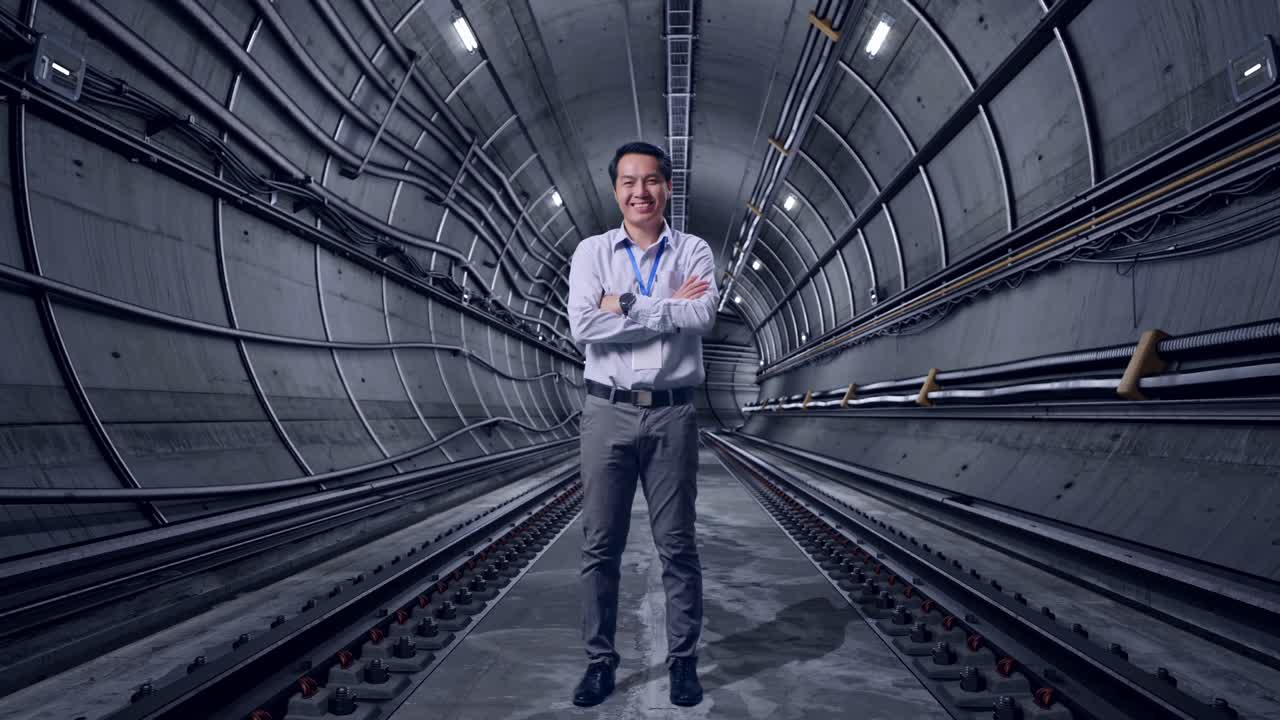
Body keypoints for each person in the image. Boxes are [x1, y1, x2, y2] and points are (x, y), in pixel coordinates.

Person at [566, 141, 718, 707]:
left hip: (673, 414)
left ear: (668, 188)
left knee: (677, 545)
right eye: (629, 182)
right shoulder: (591, 252)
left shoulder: (695, 250)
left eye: (651, 181)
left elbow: (701, 315)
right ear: (615, 191)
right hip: (606, 410)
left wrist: (625, 305)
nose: (640, 192)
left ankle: (683, 664)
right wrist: (661, 308)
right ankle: (600, 663)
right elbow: (584, 326)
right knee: (600, 546)